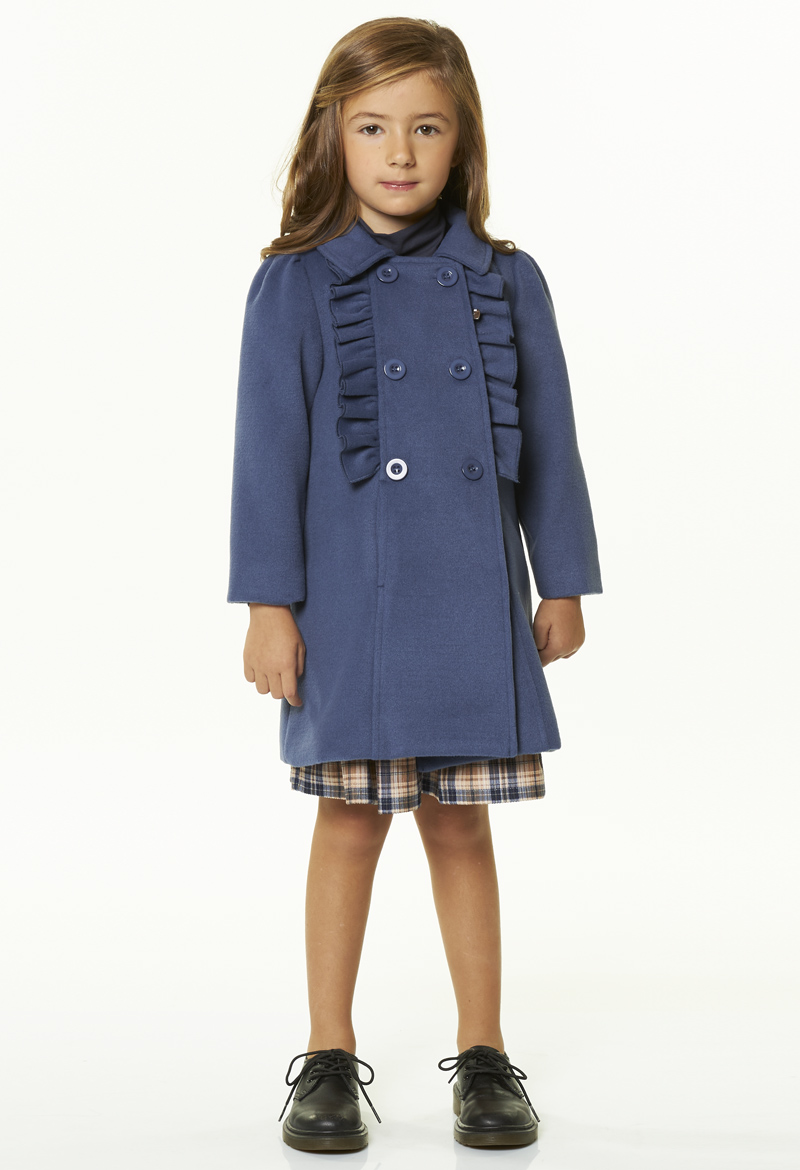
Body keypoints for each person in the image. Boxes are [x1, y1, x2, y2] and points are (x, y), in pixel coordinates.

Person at [227, 16, 602, 1154]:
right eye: (373, 127)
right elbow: (266, 455)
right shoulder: (293, 284)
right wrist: (269, 606)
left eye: (426, 128)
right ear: (331, 137)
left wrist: (562, 579)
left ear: (461, 140)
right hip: (349, 608)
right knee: (346, 823)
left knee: (460, 828)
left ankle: (484, 1055)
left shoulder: (508, 279)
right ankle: (326, 1056)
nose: (399, 152)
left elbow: (552, 441)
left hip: (472, 601)